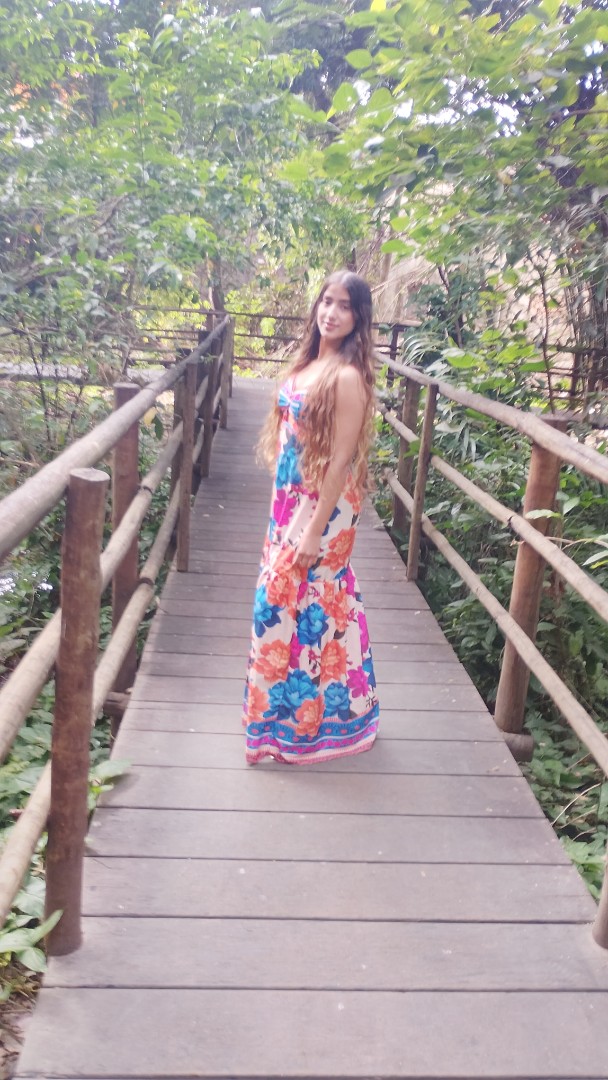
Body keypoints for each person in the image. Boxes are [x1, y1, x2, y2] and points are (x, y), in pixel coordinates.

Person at [242, 270, 379, 764]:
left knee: (297, 603)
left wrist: (313, 531)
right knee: (292, 602)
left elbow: (340, 463)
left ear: (358, 318)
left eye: (344, 306)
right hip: (289, 501)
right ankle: (287, 724)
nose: (331, 313)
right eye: (326, 301)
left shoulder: (347, 377)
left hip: (326, 505)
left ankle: (310, 724)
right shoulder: (307, 365)